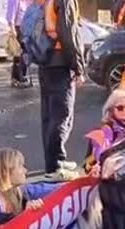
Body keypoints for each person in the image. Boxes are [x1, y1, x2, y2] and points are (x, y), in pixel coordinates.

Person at [39, 0, 86, 181]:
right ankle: (55, 167)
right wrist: (78, 67)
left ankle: (54, 160)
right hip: (60, 63)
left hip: (46, 60)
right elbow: (68, 33)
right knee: (62, 116)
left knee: (49, 116)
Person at [0, 148, 58, 229]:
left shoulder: (20, 190)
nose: (25, 171)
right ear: (6, 171)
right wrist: (25, 216)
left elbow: (48, 189)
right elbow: (0, 226)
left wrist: (71, 184)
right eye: (21, 166)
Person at [83, 89, 125, 176]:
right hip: (110, 175)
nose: (124, 110)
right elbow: (96, 159)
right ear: (111, 110)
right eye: (120, 108)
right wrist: (97, 167)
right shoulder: (104, 131)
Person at [6, 0, 33, 88]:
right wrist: (12, 27)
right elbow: (10, 13)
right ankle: (20, 77)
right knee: (21, 53)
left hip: (26, 26)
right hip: (18, 28)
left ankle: (18, 77)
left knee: (23, 53)